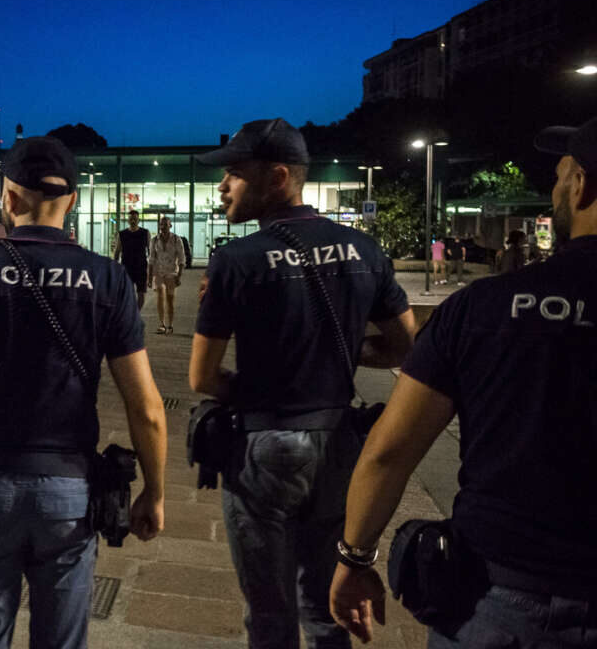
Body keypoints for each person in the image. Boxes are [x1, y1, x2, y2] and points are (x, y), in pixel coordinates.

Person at [330, 115, 597, 647]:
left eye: (559, 176)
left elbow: (390, 451)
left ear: (581, 185)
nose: (554, 190)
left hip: (501, 599)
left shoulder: (485, 308)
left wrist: (354, 559)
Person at [0, 136, 167, 648]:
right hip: (68, 491)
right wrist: (154, 492)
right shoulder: (107, 280)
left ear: (8, 198)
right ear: (72, 201)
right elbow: (147, 408)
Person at [188, 118, 417, 649]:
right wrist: (342, 353)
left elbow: (202, 376)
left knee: (269, 613)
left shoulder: (236, 260)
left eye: (235, 174)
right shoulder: (363, 250)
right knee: (325, 602)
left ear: (278, 178)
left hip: (267, 447)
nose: (222, 186)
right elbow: (406, 346)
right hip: (340, 444)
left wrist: (264, 388)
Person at [148, 215, 184, 334]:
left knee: (170, 299)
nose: (162, 227)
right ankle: (162, 324)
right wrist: (149, 277)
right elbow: (151, 259)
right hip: (158, 272)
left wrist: (179, 276)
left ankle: (170, 325)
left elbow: (182, 259)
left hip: (172, 273)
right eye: (161, 224)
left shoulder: (176, 239)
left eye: (165, 224)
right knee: (160, 294)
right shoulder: (154, 240)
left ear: (170, 225)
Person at [114, 209, 150, 310]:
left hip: (141, 268)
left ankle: (136, 314)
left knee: (141, 294)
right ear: (128, 220)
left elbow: (151, 251)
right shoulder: (122, 234)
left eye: (135, 219)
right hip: (126, 268)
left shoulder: (145, 233)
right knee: (126, 294)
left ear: (139, 220)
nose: (133, 221)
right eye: (131, 219)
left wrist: (151, 269)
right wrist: (114, 267)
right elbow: (117, 251)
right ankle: (129, 313)